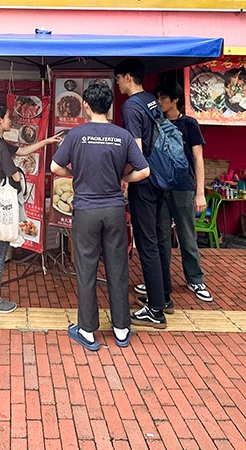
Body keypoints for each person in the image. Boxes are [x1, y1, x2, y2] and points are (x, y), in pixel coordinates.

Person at [51, 82, 149, 351]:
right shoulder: (122, 136)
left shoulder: (76, 134)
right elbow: (144, 171)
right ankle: (121, 329)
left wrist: (75, 176)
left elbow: (55, 167)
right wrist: (122, 178)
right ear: (110, 106)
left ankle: (87, 331)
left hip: (86, 210)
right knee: (118, 268)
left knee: (86, 269)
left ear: (85, 105)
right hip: (115, 209)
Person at [0, 100, 61, 315]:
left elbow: (23, 151)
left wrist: (46, 141)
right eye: (8, 117)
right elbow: (14, 174)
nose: (11, 120)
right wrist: (20, 176)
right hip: (3, 206)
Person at [135, 82, 213, 306]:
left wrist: (200, 193)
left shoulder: (189, 124)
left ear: (175, 100)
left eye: (163, 98)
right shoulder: (154, 122)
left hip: (183, 187)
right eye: (158, 97)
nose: (159, 102)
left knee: (187, 234)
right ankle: (159, 280)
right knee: (161, 237)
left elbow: (198, 159)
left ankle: (195, 279)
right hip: (158, 186)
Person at [113, 58, 168, 329]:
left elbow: (134, 150)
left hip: (145, 181)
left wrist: (124, 178)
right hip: (162, 178)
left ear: (127, 77)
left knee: (146, 243)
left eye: (118, 79)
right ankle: (163, 296)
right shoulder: (151, 100)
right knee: (158, 240)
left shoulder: (131, 106)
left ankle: (156, 311)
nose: (117, 84)